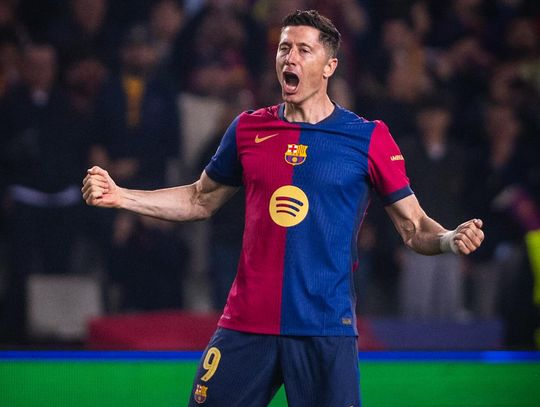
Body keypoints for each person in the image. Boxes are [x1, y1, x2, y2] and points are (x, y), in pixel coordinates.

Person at [82, 10, 484, 407]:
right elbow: (199, 199)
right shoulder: (247, 129)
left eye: (303, 50)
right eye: (283, 48)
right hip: (246, 323)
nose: (289, 58)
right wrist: (122, 196)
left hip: (324, 328)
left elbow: (414, 227)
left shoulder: (368, 137)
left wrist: (450, 239)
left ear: (329, 66)